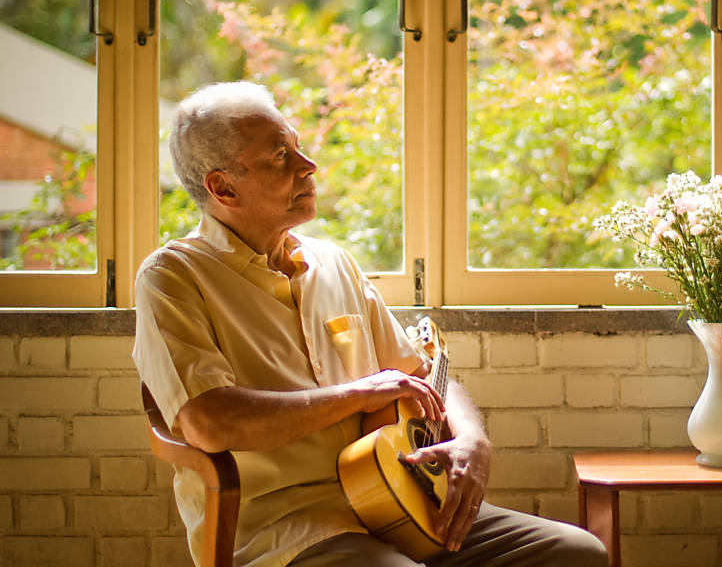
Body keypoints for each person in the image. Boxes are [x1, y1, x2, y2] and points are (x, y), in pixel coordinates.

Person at [133, 81, 608, 567]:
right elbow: (209, 422)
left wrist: (471, 439)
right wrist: (359, 395)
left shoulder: (333, 262)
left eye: (297, 145)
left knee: (578, 553)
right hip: (290, 530)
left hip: (403, 502)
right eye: (280, 157)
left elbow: (419, 374)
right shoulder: (171, 278)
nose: (308, 166)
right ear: (223, 187)